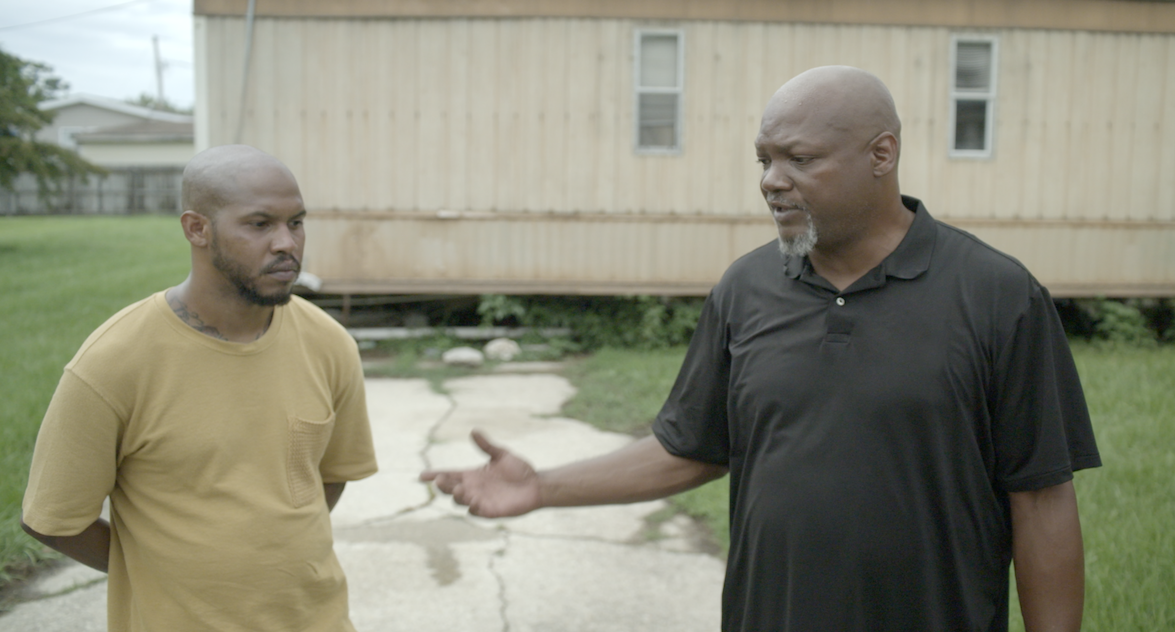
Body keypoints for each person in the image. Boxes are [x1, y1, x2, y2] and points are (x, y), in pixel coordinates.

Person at [422, 66, 1101, 632]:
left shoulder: (996, 294)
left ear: (882, 154)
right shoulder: (745, 289)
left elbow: (1041, 499)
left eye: (799, 159)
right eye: (765, 160)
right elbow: (690, 446)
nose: (772, 180)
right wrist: (542, 487)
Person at [21, 145, 377, 632]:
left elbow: (329, 478)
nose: (286, 243)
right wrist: (162, 572)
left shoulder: (329, 344)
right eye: (259, 224)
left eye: (296, 223)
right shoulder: (113, 362)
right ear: (197, 229)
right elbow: (53, 519)